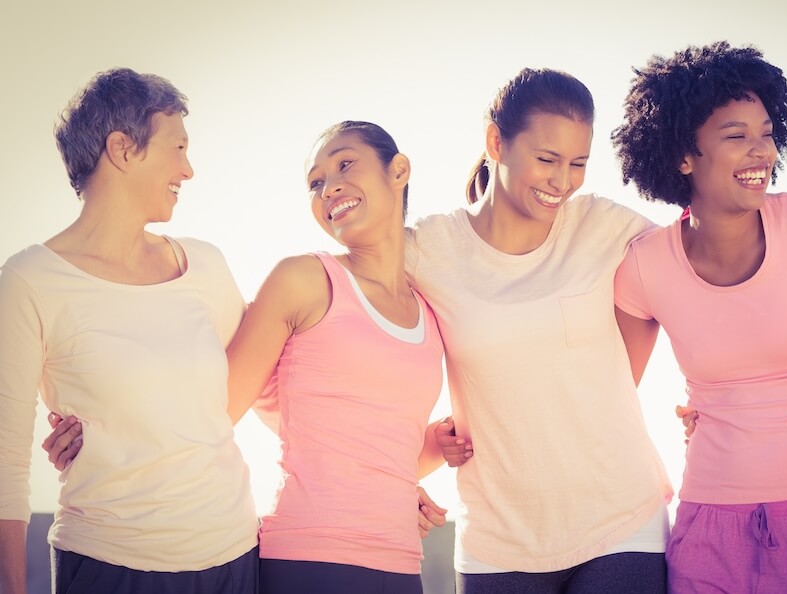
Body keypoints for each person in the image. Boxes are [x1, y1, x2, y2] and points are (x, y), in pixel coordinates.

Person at [420, 66, 787, 594]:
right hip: (499, 533)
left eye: (579, 163)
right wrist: (409, 463)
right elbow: (360, 345)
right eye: (546, 159)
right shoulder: (431, 249)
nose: (562, 181)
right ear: (496, 142)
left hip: (622, 521)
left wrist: (745, 408)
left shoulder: (609, 228)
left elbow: (706, 271)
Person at [37, 120, 452, 594]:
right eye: (315, 182)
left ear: (398, 171)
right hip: (307, 557)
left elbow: (350, 441)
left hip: (400, 561)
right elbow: (212, 412)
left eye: (344, 164)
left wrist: (432, 450)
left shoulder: (430, 309)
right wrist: (101, 435)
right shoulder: (302, 279)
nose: (329, 186)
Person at [610, 42, 787, 593]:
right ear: (683, 156)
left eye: (767, 133)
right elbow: (609, 391)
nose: (761, 153)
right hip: (708, 520)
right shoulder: (645, 266)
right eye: (736, 136)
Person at [0, 68, 259, 594]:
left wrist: (387, 477)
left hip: (235, 556)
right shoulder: (29, 281)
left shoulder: (205, 264)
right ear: (122, 148)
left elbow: (272, 382)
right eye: (178, 148)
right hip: (108, 565)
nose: (188, 169)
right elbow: (4, 465)